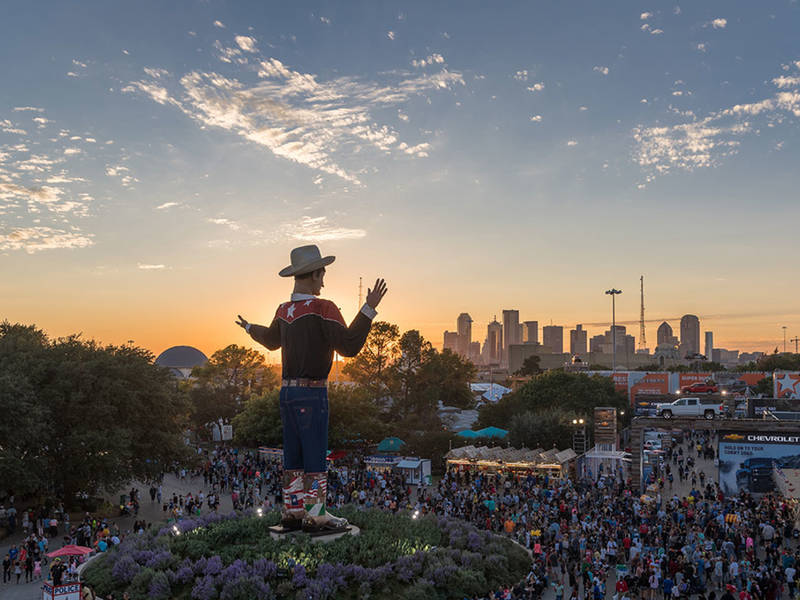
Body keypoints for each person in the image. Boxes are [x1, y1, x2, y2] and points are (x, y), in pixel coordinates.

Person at [237, 244, 387, 534]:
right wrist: (368, 308)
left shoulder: (284, 311)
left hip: (286, 394)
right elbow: (349, 346)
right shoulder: (323, 308)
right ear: (315, 273)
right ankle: (316, 516)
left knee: (292, 454)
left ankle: (292, 512)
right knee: (315, 453)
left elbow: (269, 340)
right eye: (322, 274)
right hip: (312, 393)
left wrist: (248, 328)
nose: (324, 281)